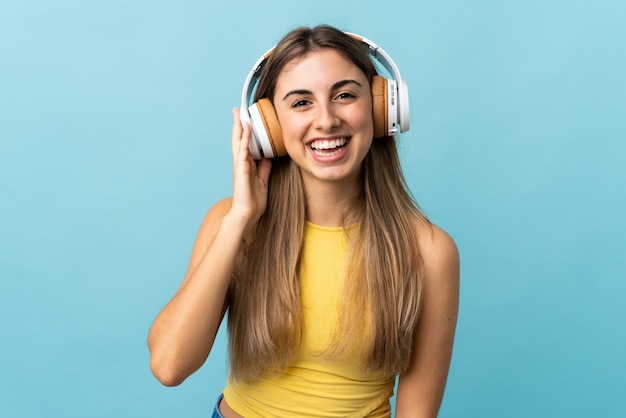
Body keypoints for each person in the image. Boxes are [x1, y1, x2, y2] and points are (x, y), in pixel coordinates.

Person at [148, 24, 459, 418]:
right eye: (301, 103)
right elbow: (169, 365)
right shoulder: (229, 223)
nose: (326, 120)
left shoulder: (429, 251)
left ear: (382, 108)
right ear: (269, 128)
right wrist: (240, 219)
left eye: (345, 95)